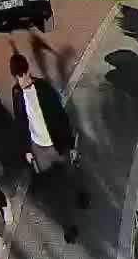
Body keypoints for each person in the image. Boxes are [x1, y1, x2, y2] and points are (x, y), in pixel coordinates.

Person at [9, 54, 87, 243]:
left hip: (56, 144)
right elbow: (20, 122)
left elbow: (60, 116)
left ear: (28, 72)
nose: (20, 80)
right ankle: (69, 226)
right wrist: (26, 149)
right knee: (56, 189)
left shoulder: (43, 89)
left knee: (69, 175)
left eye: (21, 75)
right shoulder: (17, 93)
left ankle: (80, 194)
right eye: (16, 77)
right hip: (39, 149)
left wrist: (70, 144)